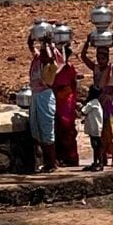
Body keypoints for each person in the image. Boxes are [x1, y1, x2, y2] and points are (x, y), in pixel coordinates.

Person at [81, 35, 113, 167]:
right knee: (100, 130)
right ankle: (102, 157)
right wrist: (87, 42)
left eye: (103, 58)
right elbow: (83, 57)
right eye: (99, 58)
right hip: (99, 103)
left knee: (111, 130)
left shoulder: (112, 68)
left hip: (110, 103)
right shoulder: (95, 68)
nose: (100, 61)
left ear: (107, 58)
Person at [27, 30, 59, 172]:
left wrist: (47, 43)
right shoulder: (37, 59)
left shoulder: (50, 66)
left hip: (45, 97)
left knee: (47, 130)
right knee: (37, 130)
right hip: (36, 96)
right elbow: (30, 46)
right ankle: (48, 162)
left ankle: (51, 163)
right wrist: (33, 35)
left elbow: (50, 58)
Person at [52, 43, 80, 167]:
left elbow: (72, 86)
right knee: (58, 129)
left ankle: (71, 158)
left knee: (67, 129)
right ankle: (60, 157)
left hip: (66, 103)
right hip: (58, 101)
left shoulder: (69, 68)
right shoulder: (55, 69)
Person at [81, 86, 104, 172]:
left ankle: (100, 163)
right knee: (96, 146)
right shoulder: (97, 103)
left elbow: (83, 111)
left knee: (95, 146)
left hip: (94, 129)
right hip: (97, 128)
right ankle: (96, 162)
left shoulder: (91, 103)